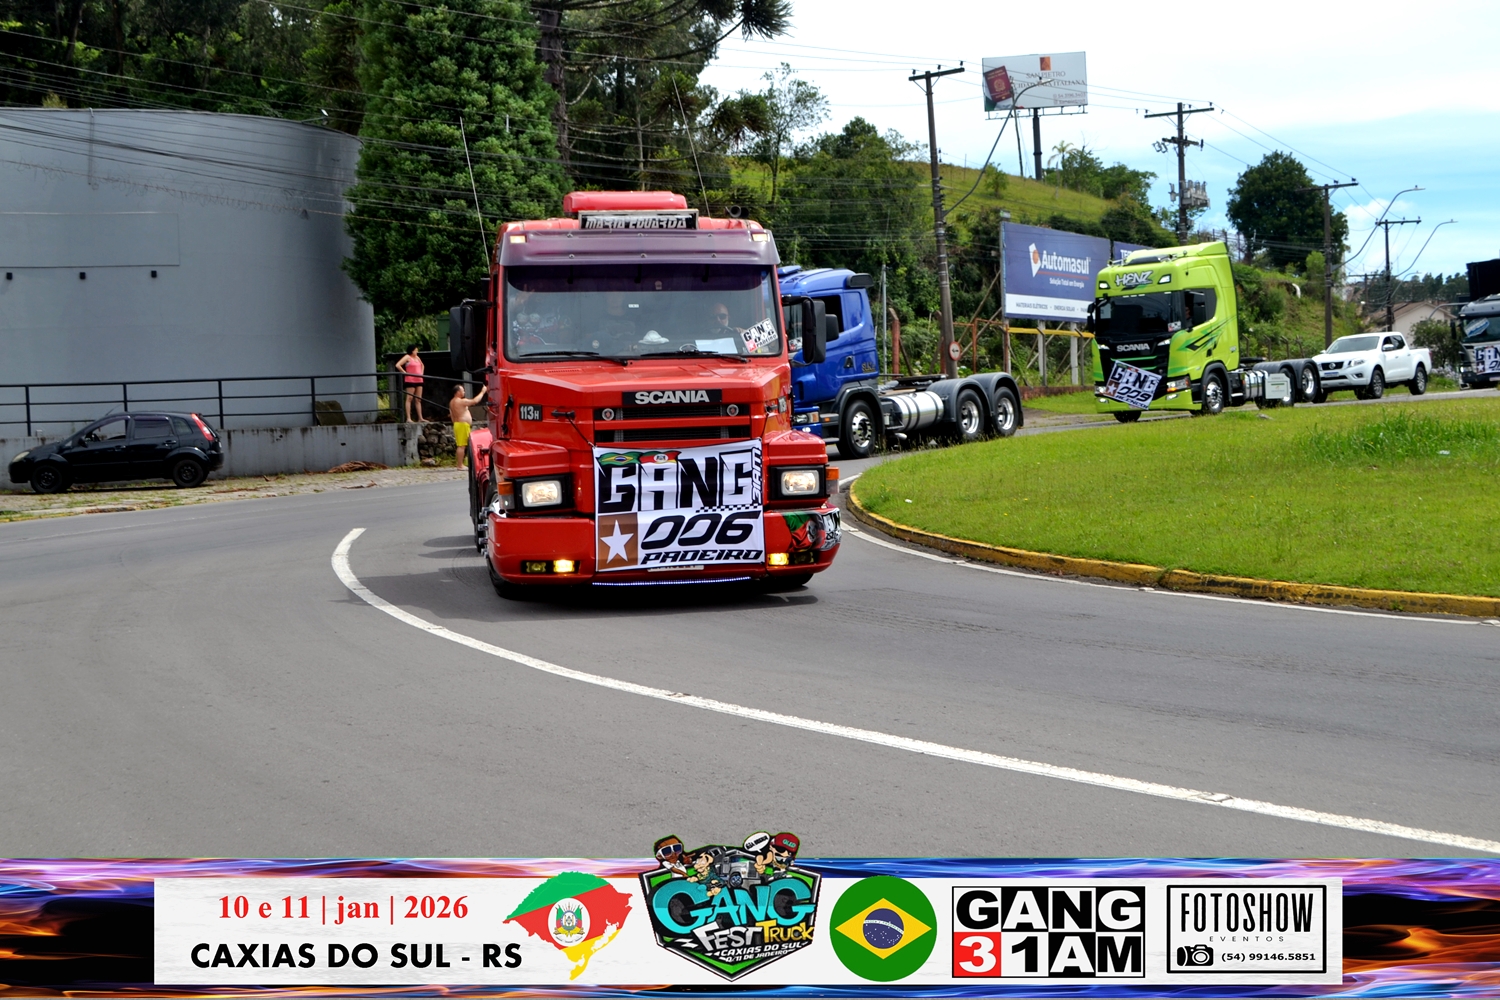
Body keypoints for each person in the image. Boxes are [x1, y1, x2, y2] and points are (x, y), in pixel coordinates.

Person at [448, 384, 487, 467]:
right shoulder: (461, 401)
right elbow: (475, 401)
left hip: (457, 424)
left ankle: (461, 463)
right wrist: (482, 392)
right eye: (463, 390)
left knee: (462, 445)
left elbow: (451, 414)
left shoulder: (451, 402)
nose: (464, 392)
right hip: (462, 424)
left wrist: (455, 422)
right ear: (458, 392)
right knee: (461, 446)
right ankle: (460, 465)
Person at [395, 345, 425, 422]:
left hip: (419, 379)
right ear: (412, 351)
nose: (417, 351)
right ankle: (408, 418)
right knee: (409, 398)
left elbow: (422, 365)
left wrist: (421, 373)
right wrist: (405, 372)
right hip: (410, 380)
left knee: (418, 399)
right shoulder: (407, 357)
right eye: (415, 350)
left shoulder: (417, 357)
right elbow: (398, 365)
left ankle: (420, 418)